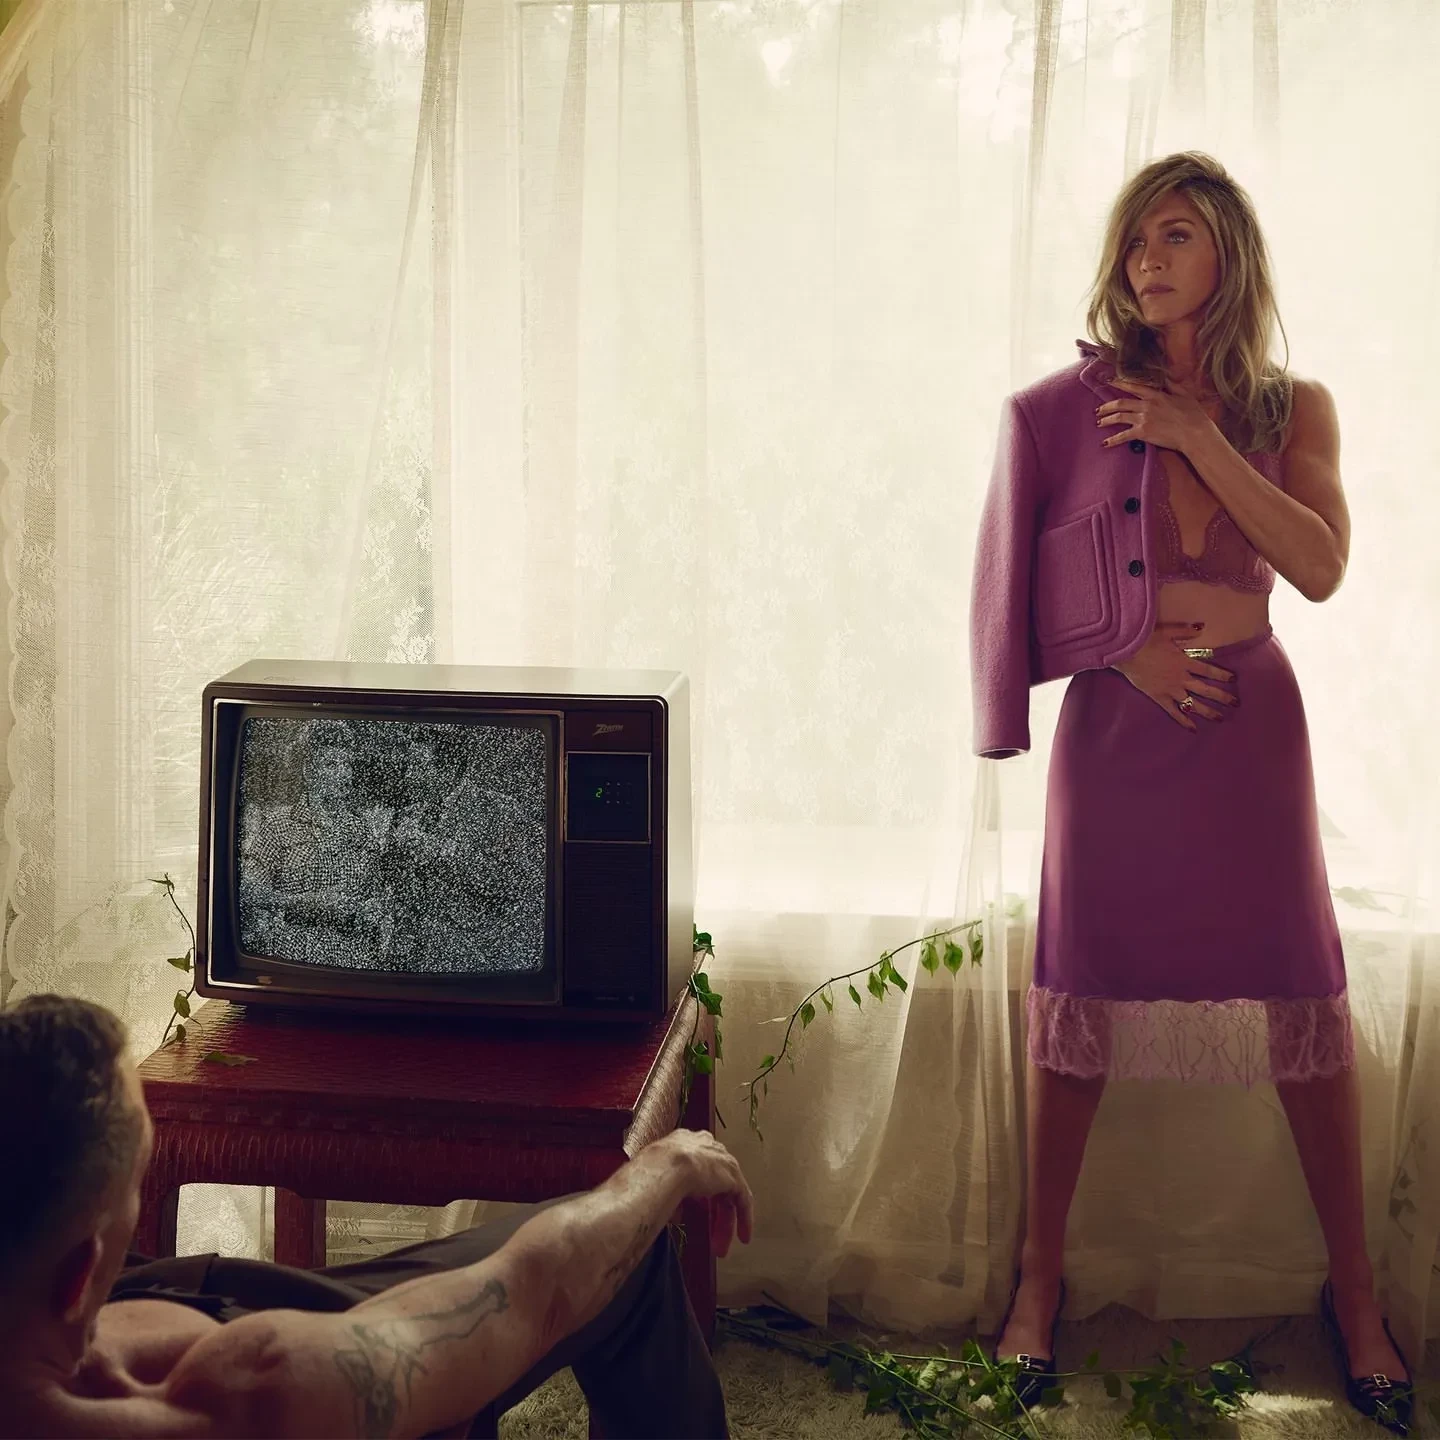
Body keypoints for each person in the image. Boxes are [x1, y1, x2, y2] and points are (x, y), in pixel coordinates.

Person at [969, 152, 1412, 1433]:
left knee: (1301, 998)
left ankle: (1359, 1296)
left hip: (1253, 741)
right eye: (1133, 241)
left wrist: (1198, 435)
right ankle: (1038, 1283)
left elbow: (1319, 567)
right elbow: (1009, 590)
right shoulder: (1059, 411)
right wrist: (1124, 653)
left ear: (1229, 251)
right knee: (1079, 1006)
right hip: (1114, 742)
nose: (1146, 260)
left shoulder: (1295, 409)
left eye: (1174, 235)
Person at [0, 994, 752, 1439]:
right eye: (138, 1186)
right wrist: (666, 1167)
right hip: (271, 1345)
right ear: (78, 1274)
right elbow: (533, 1294)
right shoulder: (253, 1393)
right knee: (628, 1252)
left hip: (185, 1299)